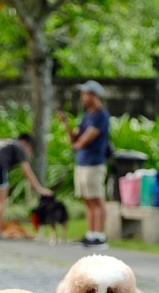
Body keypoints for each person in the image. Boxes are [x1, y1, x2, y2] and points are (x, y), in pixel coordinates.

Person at [58, 80, 110, 249]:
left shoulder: (101, 115)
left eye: (85, 94)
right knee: (87, 199)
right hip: (82, 162)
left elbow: (84, 140)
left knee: (97, 199)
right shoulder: (87, 115)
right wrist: (65, 123)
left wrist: (77, 144)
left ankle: (100, 237)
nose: (82, 98)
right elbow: (74, 139)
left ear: (94, 95)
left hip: (95, 162)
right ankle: (90, 234)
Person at [0, 133, 52, 239]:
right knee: (0, 201)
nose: (27, 152)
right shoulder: (18, 146)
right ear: (26, 143)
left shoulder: (4, 142)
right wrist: (39, 188)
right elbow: (26, 170)